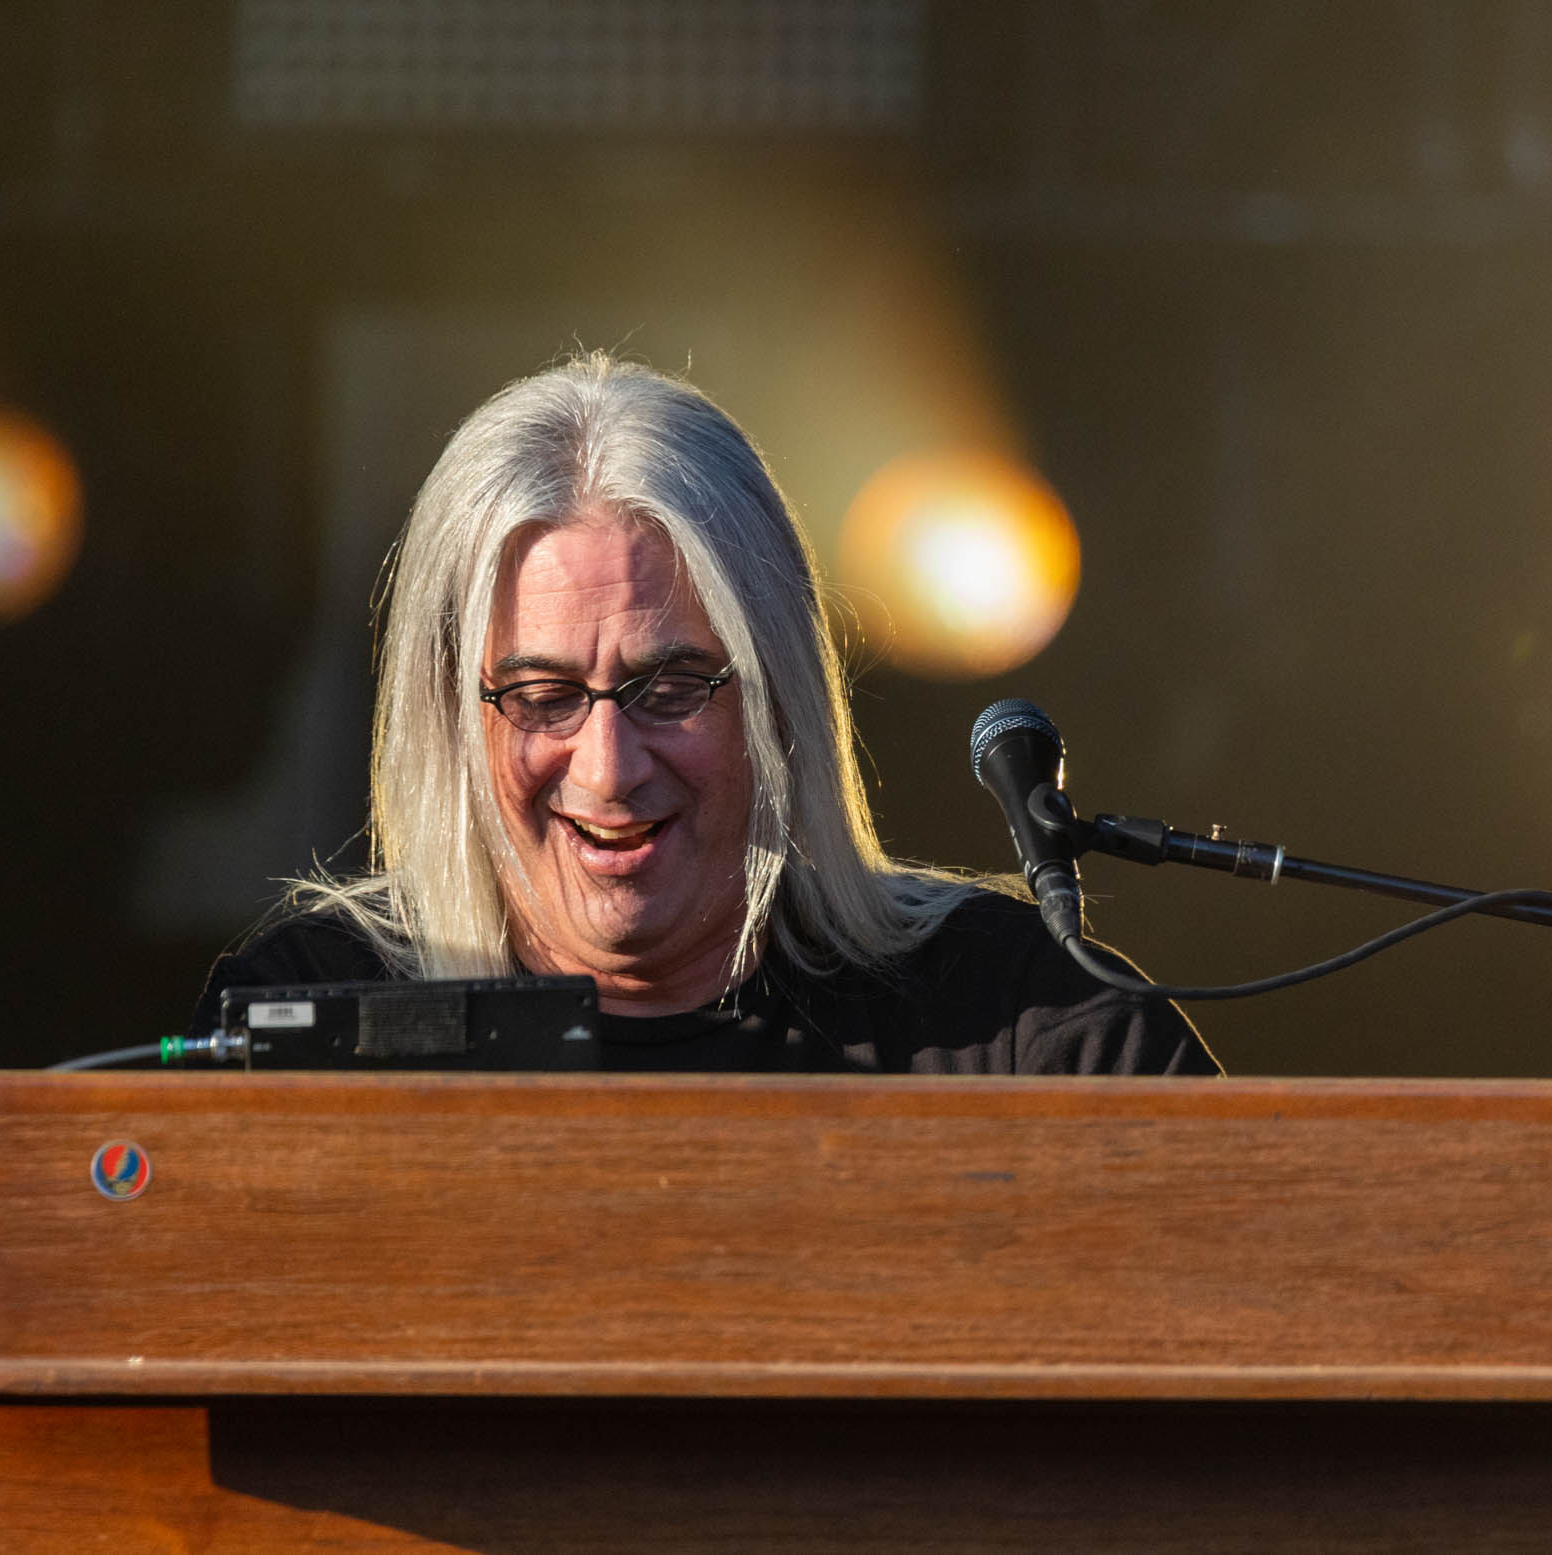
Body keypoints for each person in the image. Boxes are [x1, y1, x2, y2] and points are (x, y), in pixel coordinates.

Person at [193, 355, 1217, 1075]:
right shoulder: (310, 1017)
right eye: (544, 697)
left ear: (775, 695)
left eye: (671, 687)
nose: (609, 767)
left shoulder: (1030, 1020)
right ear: (454, 716)